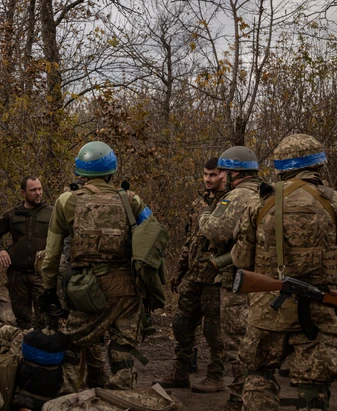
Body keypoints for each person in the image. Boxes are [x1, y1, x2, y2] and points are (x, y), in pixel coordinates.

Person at [232, 134, 337, 411]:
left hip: (265, 312)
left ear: (281, 167)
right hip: (318, 310)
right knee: (313, 385)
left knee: (258, 376)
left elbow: (241, 258)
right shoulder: (336, 202)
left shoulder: (259, 203)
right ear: (318, 165)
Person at [40, 141, 154, 390]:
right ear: (112, 172)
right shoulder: (131, 201)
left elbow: (52, 254)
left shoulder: (67, 201)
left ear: (79, 173)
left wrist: (48, 289)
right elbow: (153, 240)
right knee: (123, 348)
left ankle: (66, 395)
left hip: (87, 290)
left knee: (71, 343)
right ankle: (121, 400)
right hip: (127, 290)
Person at [196, 146, 264, 411]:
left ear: (233, 173)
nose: (221, 177)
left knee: (237, 342)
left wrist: (205, 213)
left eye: (223, 171)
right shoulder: (267, 191)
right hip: (265, 279)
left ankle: (240, 400)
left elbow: (215, 232)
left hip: (239, 280)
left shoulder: (237, 196)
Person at [156, 157, 226, 392]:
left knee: (214, 331)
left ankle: (216, 375)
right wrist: (179, 271)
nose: (208, 179)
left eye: (213, 174)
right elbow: (190, 241)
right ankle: (180, 371)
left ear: (223, 175)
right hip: (194, 277)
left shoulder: (230, 203)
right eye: (205, 174)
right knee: (181, 324)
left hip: (216, 279)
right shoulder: (198, 203)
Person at [0, 175, 53, 329]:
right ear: (23, 192)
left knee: (45, 319)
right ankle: (22, 348)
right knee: (22, 319)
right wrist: (1, 250)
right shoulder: (12, 214)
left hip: (41, 274)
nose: (38, 193)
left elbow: (66, 236)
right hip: (17, 274)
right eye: (33, 190)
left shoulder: (52, 212)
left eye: (39, 189)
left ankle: (43, 349)